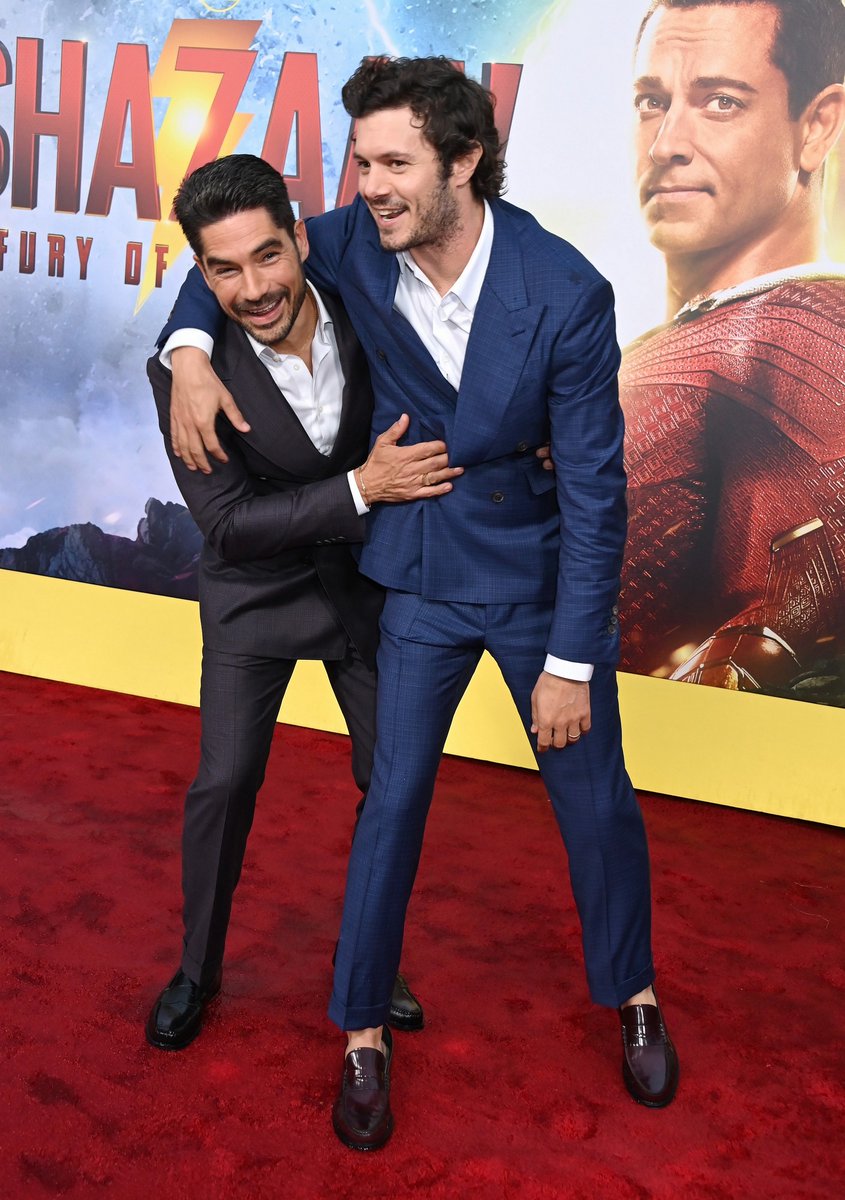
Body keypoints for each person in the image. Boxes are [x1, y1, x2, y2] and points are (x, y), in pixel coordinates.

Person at [159, 58, 679, 1147]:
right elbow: (234, 257)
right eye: (359, 163)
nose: (368, 184)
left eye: (393, 163)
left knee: (594, 805)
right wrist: (192, 347)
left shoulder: (564, 289)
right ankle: (359, 1034)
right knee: (389, 802)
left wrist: (574, 660)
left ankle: (632, 998)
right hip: (417, 580)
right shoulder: (348, 238)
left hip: (537, 582)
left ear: (463, 162)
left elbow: (595, 488)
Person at [145, 154, 464, 1052]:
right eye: (223, 270)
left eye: (267, 257)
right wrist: (360, 489)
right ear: (200, 275)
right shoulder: (183, 377)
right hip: (255, 599)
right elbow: (232, 527)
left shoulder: (360, 284)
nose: (252, 287)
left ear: (300, 237)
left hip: (365, 592)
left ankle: (370, 956)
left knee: (389, 786)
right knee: (225, 782)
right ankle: (196, 971)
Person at [619, 0, 845, 699]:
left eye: (720, 101)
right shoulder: (673, 341)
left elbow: (786, 620)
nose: (666, 144)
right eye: (652, 101)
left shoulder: (797, 330)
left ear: (815, 126)